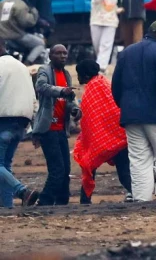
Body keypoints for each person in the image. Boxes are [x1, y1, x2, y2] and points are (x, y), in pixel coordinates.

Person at [111, 21, 156, 202]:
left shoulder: (126, 53)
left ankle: (142, 199)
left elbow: (115, 86)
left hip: (131, 116)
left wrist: (125, 106)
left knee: (139, 160)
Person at [73, 60, 131, 204]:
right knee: (124, 172)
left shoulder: (92, 91)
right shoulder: (104, 83)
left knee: (88, 162)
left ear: (85, 76)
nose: (78, 79)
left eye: (79, 75)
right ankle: (139, 195)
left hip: (109, 138)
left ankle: (85, 201)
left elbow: (89, 121)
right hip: (120, 136)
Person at [33, 45, 82, 206]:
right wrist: (61, 91)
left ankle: (62, 203)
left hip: (61, 129)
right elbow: (41, 87)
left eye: (64, 53)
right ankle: (44, 201)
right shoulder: (44, 70)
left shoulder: (66, 74)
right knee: (57, 170)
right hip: (48, 129)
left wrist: (75, 109)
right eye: (58, 53)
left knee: (66, 170)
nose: (62, 56)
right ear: (51, 55)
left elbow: (67, 99)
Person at [0, 39, 39, 207]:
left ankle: (22, 191)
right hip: (21, 123)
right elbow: (33, 98)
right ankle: (7, 206)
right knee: (4, 165)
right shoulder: (22, 67)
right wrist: (34, 125)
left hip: (4, 121)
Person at [0, 0, 46, 65]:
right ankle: (27, 63)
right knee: (40, 43)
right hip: (16, 36)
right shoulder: (21, 4)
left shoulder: (3, 2)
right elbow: (27, 22)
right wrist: (33, 11)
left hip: (2, 35)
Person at [90, 0, 122, 72]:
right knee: (97, 45)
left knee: (106, 45)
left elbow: (114, 3)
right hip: (97, 19)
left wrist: (118, 10)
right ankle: (100, 64)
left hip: (111, 20)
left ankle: (101, 67)